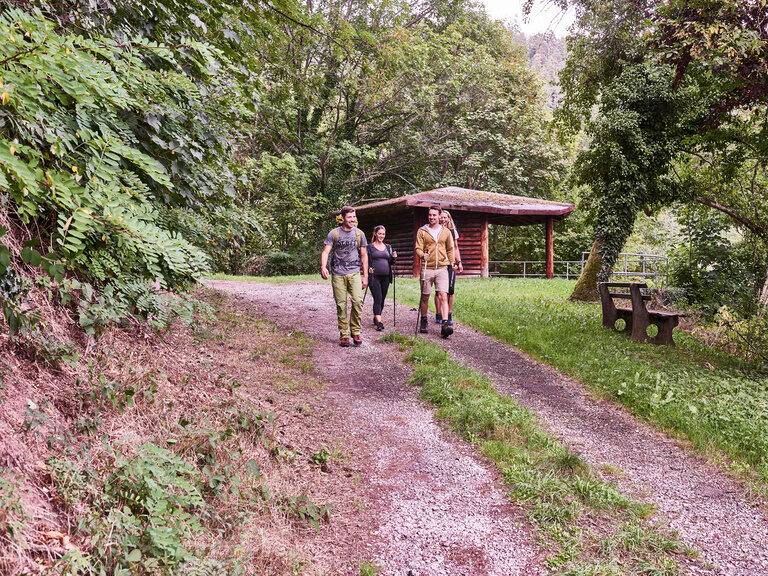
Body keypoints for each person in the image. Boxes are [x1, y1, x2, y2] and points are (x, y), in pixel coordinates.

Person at [320, 206, 368, 347]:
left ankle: (355, 330)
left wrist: (365, 275)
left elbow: (364, 255)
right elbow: (325, 252)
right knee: (341, 305)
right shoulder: (334, 233)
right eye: (349, 217)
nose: (352, 220)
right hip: (338, 274)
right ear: (342, 218)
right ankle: (344, 334)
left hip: (354, 272)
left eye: (354, 217)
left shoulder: (360, 234)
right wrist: (323, 267)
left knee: (358, 301)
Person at [414, 205, 455, 338]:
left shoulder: (446, 232)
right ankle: (424, 320)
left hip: (442, 267)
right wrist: (422, 255)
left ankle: (445, 324)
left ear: (439, 216)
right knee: (425, 296)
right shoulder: (422, 231)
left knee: (443, 295)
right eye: (430, 215)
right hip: (427, 268)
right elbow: (418, 248)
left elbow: (450, 248)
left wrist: (452, 261)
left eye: (434, 215)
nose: (431, 217)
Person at [434, 210, 463, 325]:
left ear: (449, 219)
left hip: (450, 263)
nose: (443, 219)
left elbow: (456, 248)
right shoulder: (435, 231)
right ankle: (438, 314)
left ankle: (448, 314)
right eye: (441, 217)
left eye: (445, 217)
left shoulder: (452, 232)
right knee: (439, 291)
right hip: (439, 263)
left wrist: (459, 262)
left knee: (450, 290)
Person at [366, 225, 397, 331]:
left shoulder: (388, 247)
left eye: (383, 234)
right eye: (379, 233)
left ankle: (376, 316)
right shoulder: (369, 247)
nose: (381, 236)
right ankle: (379, 322)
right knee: (378, 298)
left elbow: (391, 263)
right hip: (374, 276)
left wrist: (393, 258)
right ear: (375, 234)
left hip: (386, 277)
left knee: (382, 299)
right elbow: (365, 261)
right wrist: (368, 269)